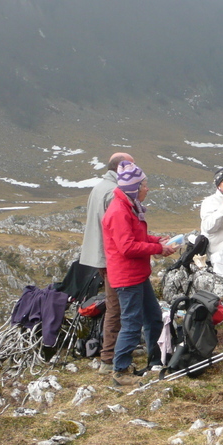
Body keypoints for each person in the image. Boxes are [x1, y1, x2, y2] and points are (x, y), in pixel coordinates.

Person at [102, 161, 176, 385]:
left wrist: (158, 241)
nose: (147, 189)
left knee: (153, 317)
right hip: (127, 278)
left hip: (137, 275)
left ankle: (156, 360)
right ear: (134, 188)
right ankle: (120, 371)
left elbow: (136, 238)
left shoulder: (128, 206)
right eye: (144, 185)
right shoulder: (119, 211)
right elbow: (127, 247)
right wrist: (158, 249)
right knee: (132, 324)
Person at [79, 152, 134, 375]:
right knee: (116, 307)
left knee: (115, 306)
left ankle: (117, 350)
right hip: (112, 259)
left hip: (100, 257)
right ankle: (109, 358)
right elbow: (118, 232)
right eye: (132, 167)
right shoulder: (113, 192)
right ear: (122, 168)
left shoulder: (99, 187)